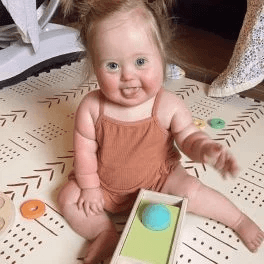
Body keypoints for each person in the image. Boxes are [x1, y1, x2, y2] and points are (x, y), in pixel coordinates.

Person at [57, 1, 264, 263]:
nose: (128, 76)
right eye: (112, 66)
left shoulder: (168, 105)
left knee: (192, 189)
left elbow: (188, 138)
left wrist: (205, 148)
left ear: (161, 56)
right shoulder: (91, 107)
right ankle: (103, 232)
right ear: (94, 65)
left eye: (140, 61)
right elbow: (84, 150)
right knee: (67, 196)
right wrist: (89, 188)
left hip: (160, 178)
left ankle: (238, 219)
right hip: (105, 187)